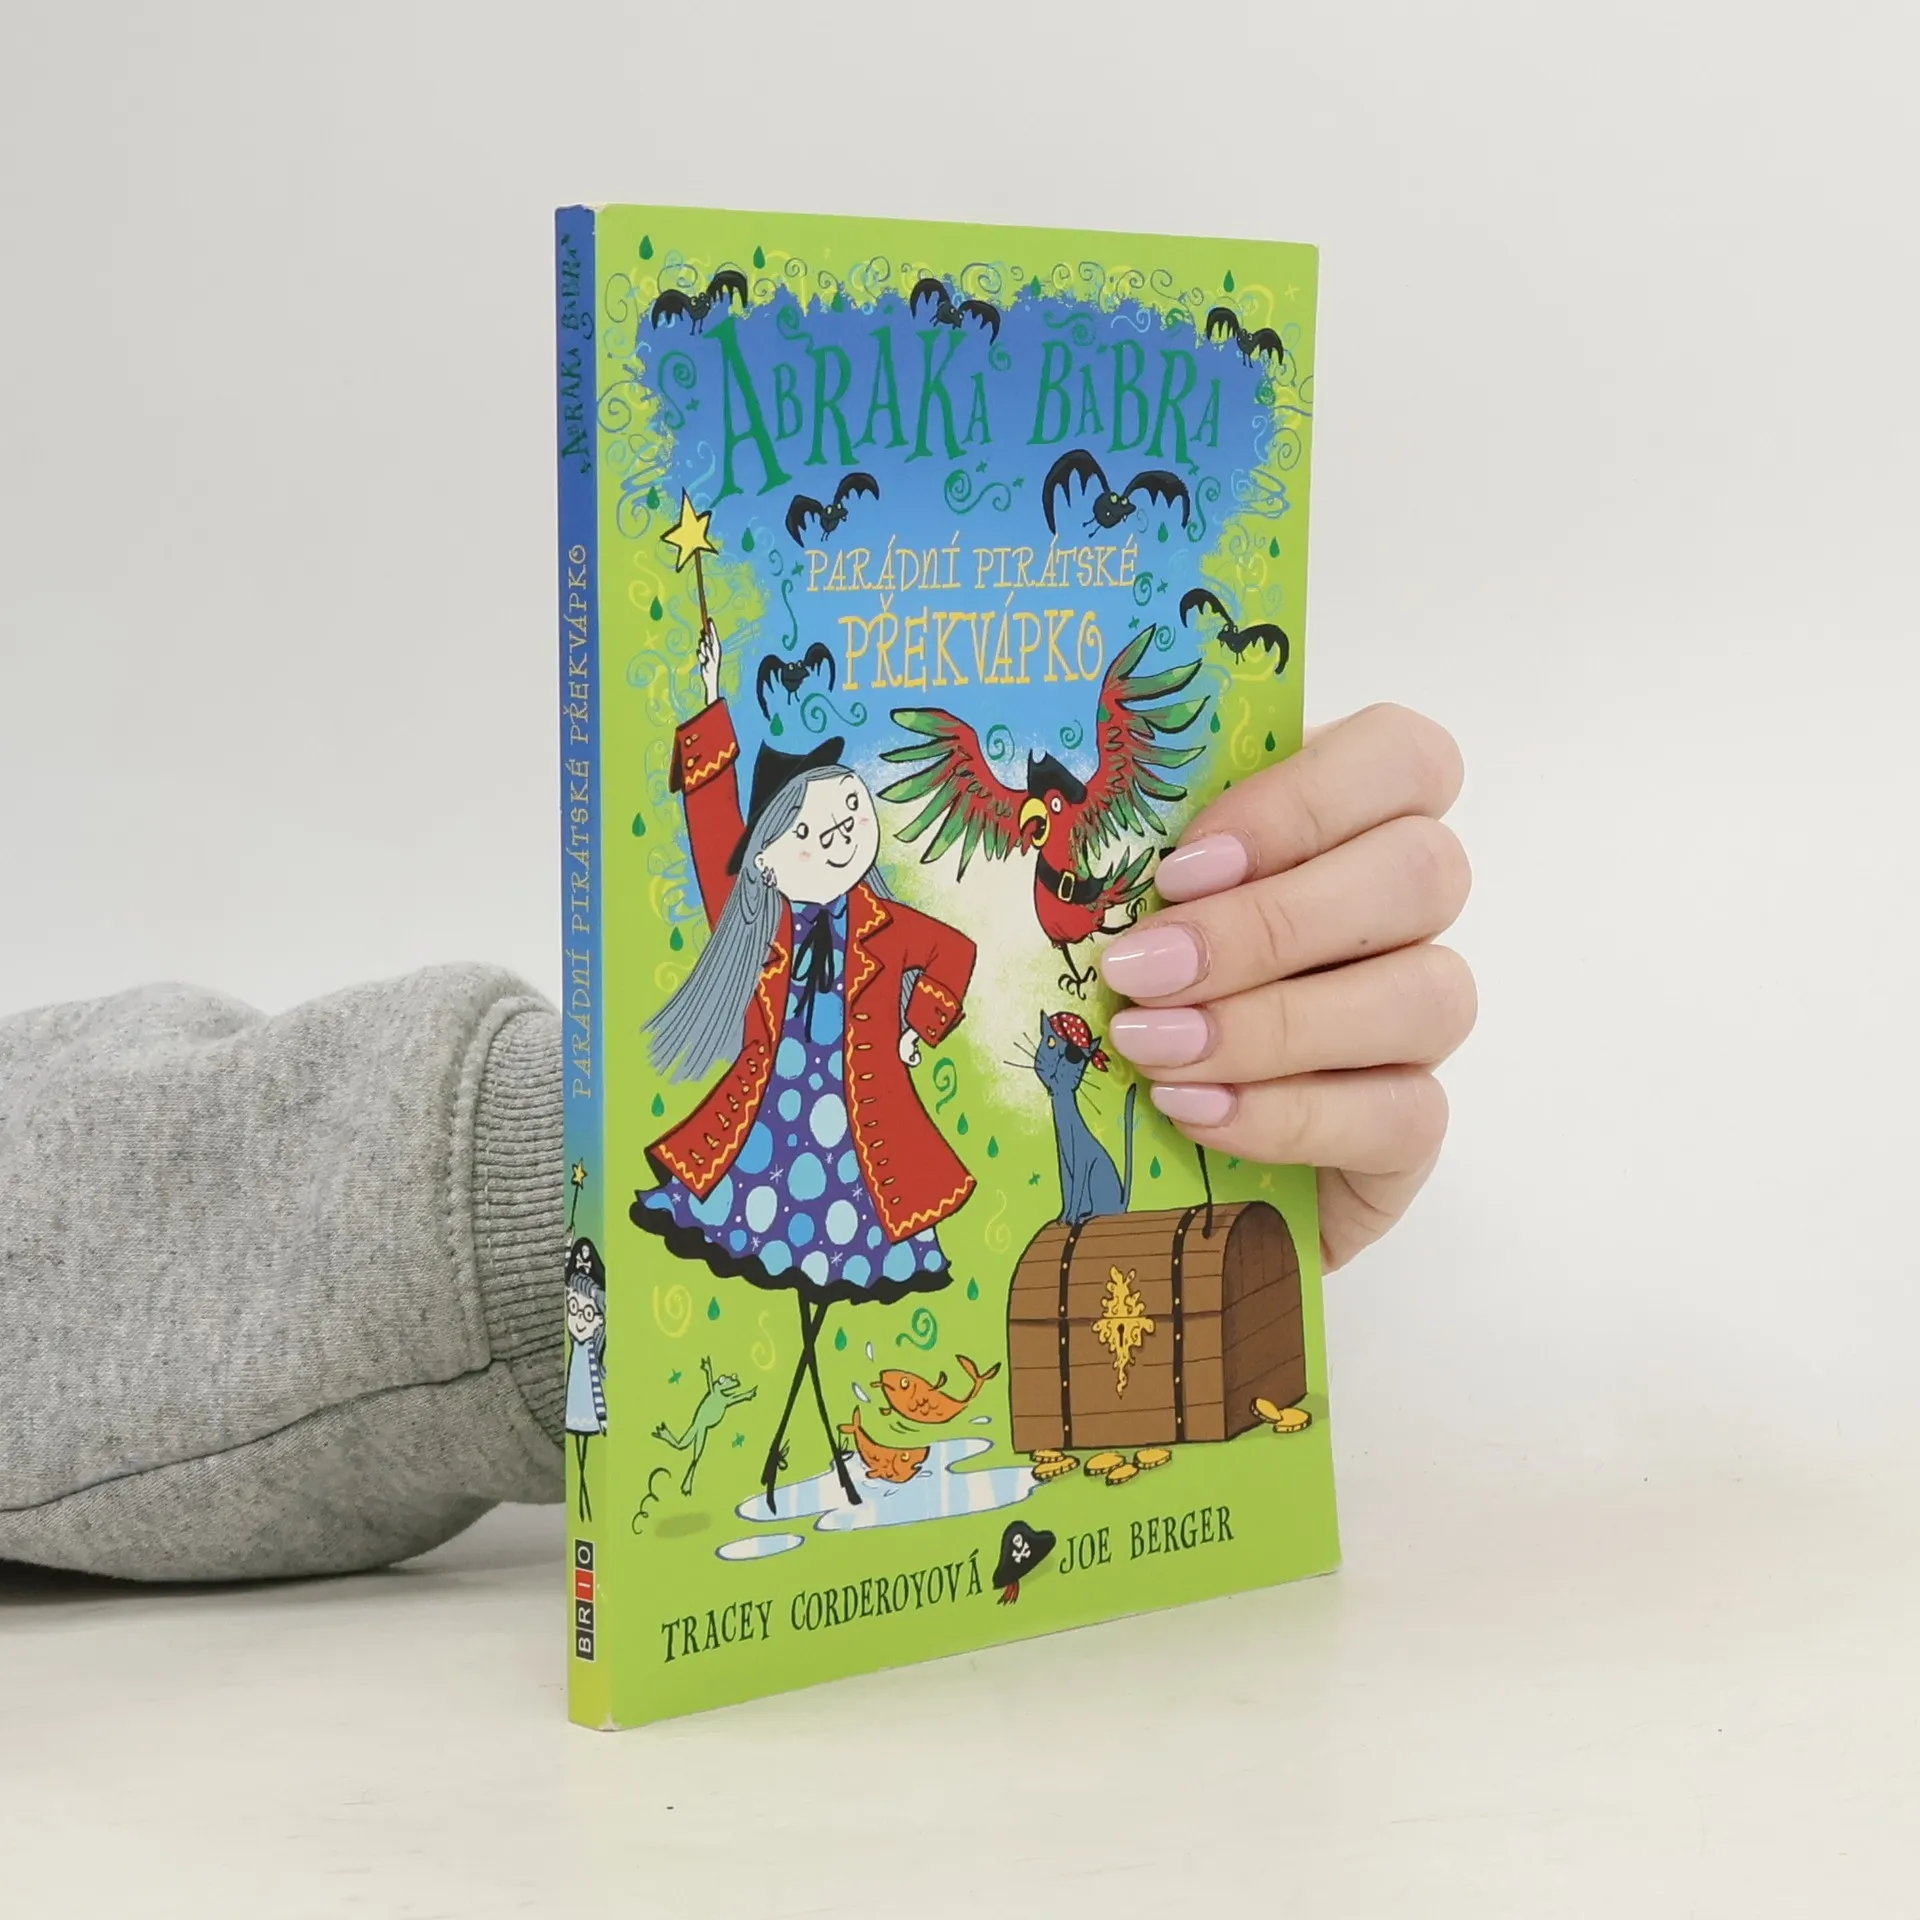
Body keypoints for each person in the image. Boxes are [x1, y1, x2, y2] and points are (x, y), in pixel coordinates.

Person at [0, 704, 1474, 1581]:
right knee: (808, 1290)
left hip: (860, 1146)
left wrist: (1163, 1109)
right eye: (811, 827)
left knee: (833, 1294)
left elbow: (954, 961)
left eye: (847, 822)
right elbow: (713, 833)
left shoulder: (881, 919)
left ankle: (822, 1454)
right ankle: (805, 1452)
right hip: (779, 1148)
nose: (836, 842)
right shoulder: (760, 915)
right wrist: (561, 1206)